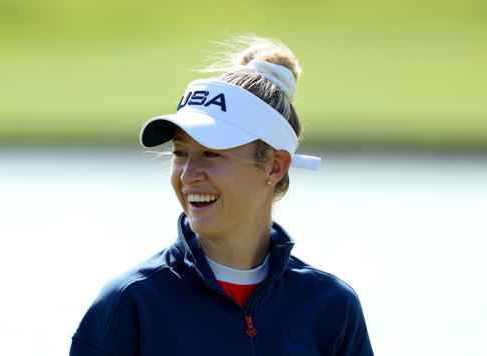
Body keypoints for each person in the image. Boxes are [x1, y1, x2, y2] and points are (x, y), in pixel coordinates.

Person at [69, 36, 373, 356]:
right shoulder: (131, 304)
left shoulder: (331, 307)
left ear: (273, 166)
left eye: (212, 153)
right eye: (181, 153)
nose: (188, 175)